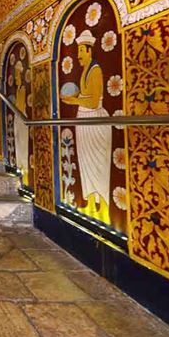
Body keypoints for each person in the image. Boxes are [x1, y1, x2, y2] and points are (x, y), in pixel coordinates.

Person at [60, 30, 111, 225]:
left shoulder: (95, 71)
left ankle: (102, 205)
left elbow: (94, 101)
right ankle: (91, 202)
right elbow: (86, 96)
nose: (78, 54)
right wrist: (75, 98)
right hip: (84, 120)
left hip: (94, 120)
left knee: (97, 163)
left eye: (81, 50)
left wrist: (73, 100)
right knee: (86, 162)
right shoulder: (86, 70)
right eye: (78, 50)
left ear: (89, 51)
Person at [11, 60, 29, 186]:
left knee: (22, 144)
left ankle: (25, 174)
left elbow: (20, 107)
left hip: (21, 118)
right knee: (18, 143)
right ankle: (20, 169)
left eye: (17, 75)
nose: (16, 78)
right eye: (15, 75)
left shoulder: (22, 89)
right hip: (18, 118)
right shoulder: (18, 89)